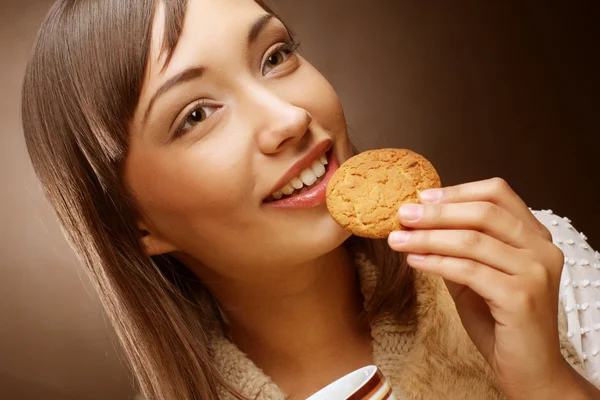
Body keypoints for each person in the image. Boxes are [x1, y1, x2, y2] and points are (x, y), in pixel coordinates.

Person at [21, 0, 600, 399]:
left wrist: (546, 384)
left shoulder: (533, 274)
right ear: (135, 225)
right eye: (196, 115)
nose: (289, 117)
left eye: (274, 57)